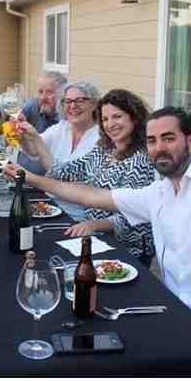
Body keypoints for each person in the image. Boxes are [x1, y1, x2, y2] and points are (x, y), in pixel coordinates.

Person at [4, 106, 191, 364]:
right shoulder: (159, 193)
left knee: (141, 364)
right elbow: (89, 195)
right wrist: (29, 178)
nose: (159, 148)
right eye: (152, 141)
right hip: (181, 311)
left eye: (168, 138)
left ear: (190, 141)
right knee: (104, 344)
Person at [17, 89, 156, 265]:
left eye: (117, 117)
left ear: (134, 118)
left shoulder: (141, 160)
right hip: (95, 238)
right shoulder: (104, 149)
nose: (110, 124)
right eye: (105, 119)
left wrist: (93, 225)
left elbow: (130, 215)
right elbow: (63, 172)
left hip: (128, 250)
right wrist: (34, 136)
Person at [18, 81, 101, 220]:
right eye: (67, 101)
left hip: (80, 216)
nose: (73, 106)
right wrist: (21, 136)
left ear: (94, 104)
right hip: (49, 206)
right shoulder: (62, 127)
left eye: (80, 100)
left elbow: (72, 180)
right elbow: (34, 151)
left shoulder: (101, 137)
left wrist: (34, 136)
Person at [17, 71, 67, 174]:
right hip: (20, 176)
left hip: (45, 181)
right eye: (40, 92)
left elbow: (36, 150)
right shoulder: (34, 106)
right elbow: (12, 110)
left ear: (63, 96)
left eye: (49, 92)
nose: (43, 97)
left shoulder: (65, 123)